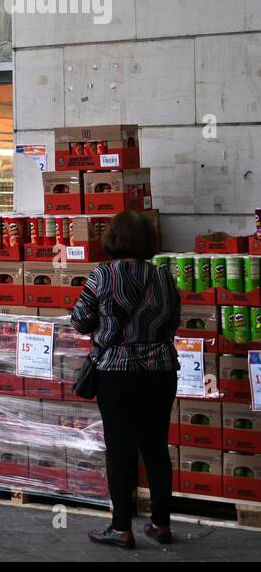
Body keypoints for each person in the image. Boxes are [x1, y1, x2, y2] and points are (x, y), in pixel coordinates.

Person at [69, 210, 179, 549]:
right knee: (156, 446)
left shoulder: (102, 275)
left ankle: (121, 528)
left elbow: (80, 320)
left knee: (120, 449)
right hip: (160, 371)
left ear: (113, 240)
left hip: (115, 372)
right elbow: (174, 320)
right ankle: (161, 523)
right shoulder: (163, 276)